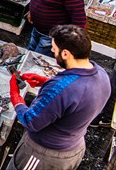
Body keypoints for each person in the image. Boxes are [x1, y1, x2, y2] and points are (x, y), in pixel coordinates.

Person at [8, 25, 110, 170]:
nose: (52, 51)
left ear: (66, 54)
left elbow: (30, 121)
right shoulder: (101, 74)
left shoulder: (62, 90)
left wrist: (15, 95)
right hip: (74, 149)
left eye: (54, 49)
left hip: (44, 156)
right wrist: (45, 81)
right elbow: (77, 98)